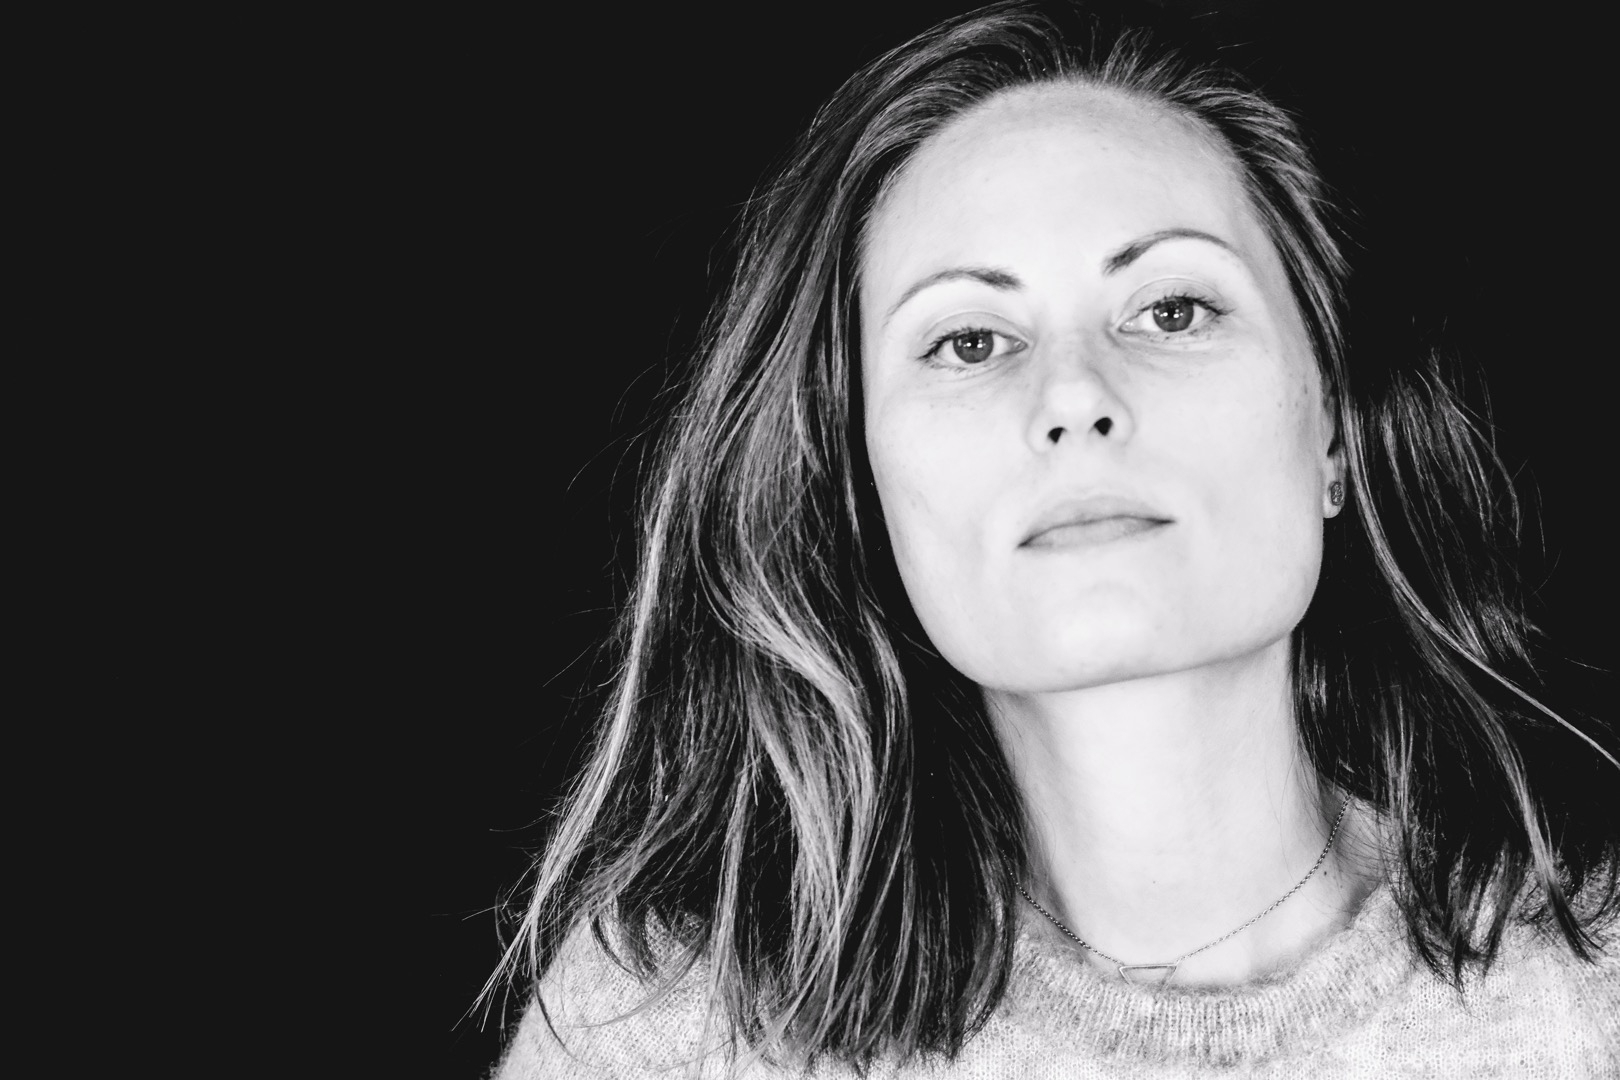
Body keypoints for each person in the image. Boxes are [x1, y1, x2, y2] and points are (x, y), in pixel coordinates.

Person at [489, 2, 1618, 1075]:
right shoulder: (672, 1034)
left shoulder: (1595, 988)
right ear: (859, 482)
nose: (1075, 396)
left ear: (1329, 430)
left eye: (1173, 310)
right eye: (970, 341)